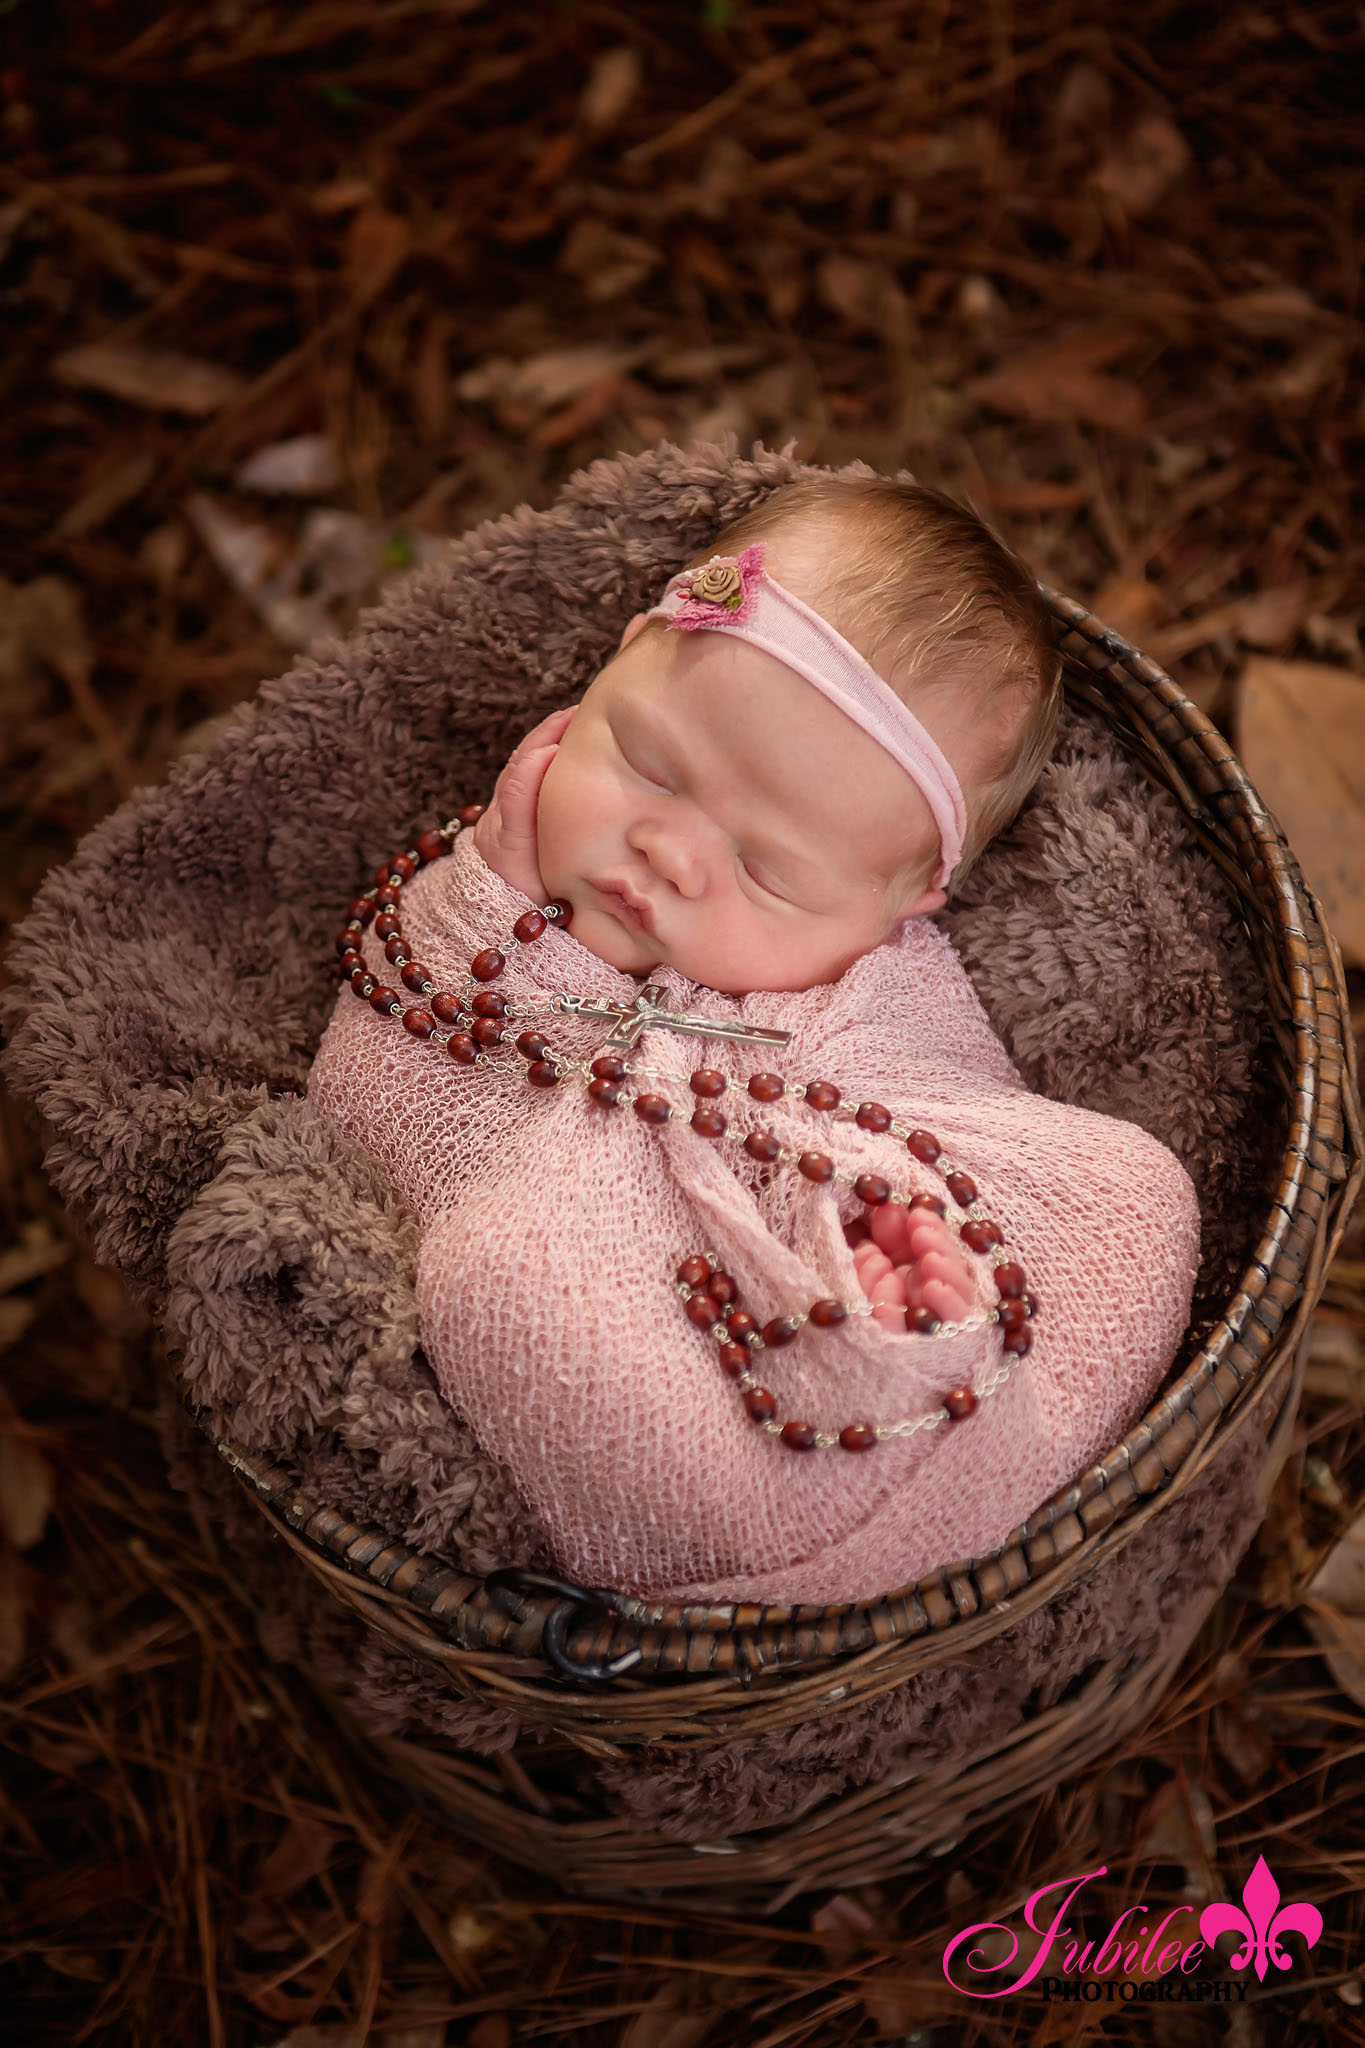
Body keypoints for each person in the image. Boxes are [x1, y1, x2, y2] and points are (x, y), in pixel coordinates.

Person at [308, 475, 1201, 1605]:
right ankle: (790, 1525)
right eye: (647, 762)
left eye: (769, 870)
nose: (670, 855)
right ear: (619, 656)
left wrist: (870, 1228)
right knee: (499, 1275)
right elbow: (384, 1081)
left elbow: (939, 1106)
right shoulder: (484, 891)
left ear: (900, 903)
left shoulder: (883, 974)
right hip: (611, 1290)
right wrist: (489, 904)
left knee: (1134, 1192)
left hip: (831, 1282)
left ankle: (913, 1364)